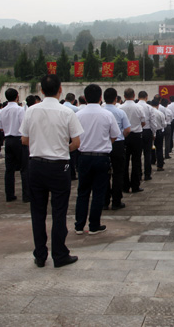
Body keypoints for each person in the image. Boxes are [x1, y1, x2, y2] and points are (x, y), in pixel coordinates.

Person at [20, 74, 84, 268]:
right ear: (60, 89)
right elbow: (76, 142)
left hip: (36, 165)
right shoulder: (66, 112)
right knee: (59, 211)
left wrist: (41, 145)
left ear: (41, 90)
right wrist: (61, 149)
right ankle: (59, 254)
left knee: (37, 211)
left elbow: (24, 140)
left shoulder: (31, 111)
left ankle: (40, 255)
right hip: (59, 166)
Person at [74, 84, 120, 235]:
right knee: (99, 192)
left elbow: (72, 136)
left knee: (83, 192)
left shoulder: (78, 115)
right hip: (101, 157)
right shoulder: (107, 114)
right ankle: (94, 225)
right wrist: (105, 143)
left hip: (84, 157)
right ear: (101, 98)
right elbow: (115, 135)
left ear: (85, 98)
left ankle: (79, 225)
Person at [103, 88, 131, 210]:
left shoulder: (102, 111)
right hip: (118, 144)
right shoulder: (120, 112)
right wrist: (121, 137)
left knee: (104, 174)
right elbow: (127, 129)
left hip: (103, 145)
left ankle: (104, 201)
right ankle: (116, 201)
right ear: (116, 98)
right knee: (118, 173)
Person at [0, 88, 27, 202]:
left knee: (9, 169)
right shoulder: (20, 110)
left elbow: (1, 126)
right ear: (17, 96)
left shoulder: (3, 110)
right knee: (24, 168)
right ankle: (26, 195)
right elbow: (24, 125)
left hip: (8, 139)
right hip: (18, 139)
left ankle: (9, 194)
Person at [119, 88, 145, 193]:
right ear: (134, 95)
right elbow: (143, 122)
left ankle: (125, 186)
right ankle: (135, 185)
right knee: (136, 161)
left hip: (124, 136)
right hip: (136, 136)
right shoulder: (138, 107)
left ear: (124, 96)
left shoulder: (120, 108)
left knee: (124, 162)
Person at [137, 91, 155, 181]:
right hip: (147, 131)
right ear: (146, 97)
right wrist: (154, 133)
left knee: (137, 155)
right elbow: (152, 121)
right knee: (147, 154)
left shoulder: (135, 106)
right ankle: (147, 174)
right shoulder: (149, 107)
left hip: (137, 132)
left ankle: (138, 174)